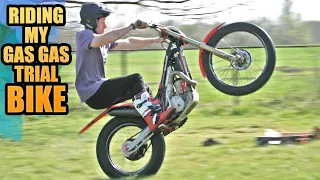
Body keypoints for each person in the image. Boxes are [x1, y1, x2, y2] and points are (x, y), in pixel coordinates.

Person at [75, 2, 176, 131]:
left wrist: (155, 40)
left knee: (142, 87)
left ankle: (156, 118)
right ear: (91, 22)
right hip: (93, 93)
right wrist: (132, 26)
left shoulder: (102, 41)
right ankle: (152, 118)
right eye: (103, 22)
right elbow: (110, 37)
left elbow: (129, 42)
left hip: (98, 92)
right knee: (135, 79)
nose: (105, 25)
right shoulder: (84, 36)